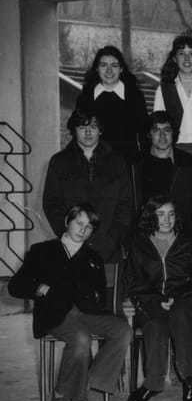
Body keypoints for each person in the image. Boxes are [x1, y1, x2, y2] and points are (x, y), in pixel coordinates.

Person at [9, 203, 131, 401]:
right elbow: (15, 286)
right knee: (81, 339)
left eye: (89, 226)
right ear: (67, 221)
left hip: (86, 314)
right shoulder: (42, 250)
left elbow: (100, 298)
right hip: (55, 314)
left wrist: (90, 295)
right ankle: (62, 395)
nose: (83, 230)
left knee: (123, 330)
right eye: (78, 223)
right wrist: (39, 288)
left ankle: (90, 382)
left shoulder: (94, 258)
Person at [124, 196, 192, 401]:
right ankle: (152, 384)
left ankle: (190, 381)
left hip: (183, 298)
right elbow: (133, 281)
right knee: (155, 323)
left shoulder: (188, 243)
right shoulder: (139, 244)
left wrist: (176, 296)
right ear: (150, 216)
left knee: (181, 317)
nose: (167, 219)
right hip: (151, 299)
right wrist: (156, 300)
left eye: (171, 214)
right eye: (160, 214)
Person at [43, 107, 133, 281]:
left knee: (107, 295)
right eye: (82, 127)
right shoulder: (59, 162)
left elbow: (126, 205)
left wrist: (112, 240)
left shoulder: (117, 161)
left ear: (100, 130)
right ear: (73, 130)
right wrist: (68, 235)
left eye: (93, 126)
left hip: (109, 247)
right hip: (71, 247)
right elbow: (51, 203)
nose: (88, 132)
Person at [133, 111, 192, 241]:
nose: (162, 135)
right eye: (156, 130)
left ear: (173, 133)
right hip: (145, 236)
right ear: (149, 134)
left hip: (182, 237)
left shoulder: (188, 162)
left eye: (167, 130)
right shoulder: (137, 164)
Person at [76, 45, 148, 163]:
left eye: (114, 65)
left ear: (121, 69)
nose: (109, 70)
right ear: (96, 68)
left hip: (127, 163)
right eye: (103, 65)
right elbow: (78, 134)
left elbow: (144, 135)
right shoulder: (85, 97)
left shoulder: (135, 96)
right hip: (94, 163)